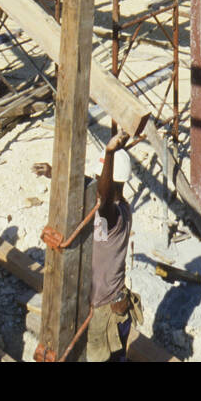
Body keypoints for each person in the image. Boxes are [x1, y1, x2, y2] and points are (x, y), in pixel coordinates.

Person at [86, 131, 140, 363]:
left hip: (106, 313)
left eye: (100, 179)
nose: (97, 184)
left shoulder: (112, 214)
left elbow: (104, 196)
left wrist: (109, 153)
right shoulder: (121, 207)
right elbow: (99, 189)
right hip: (114, 305)